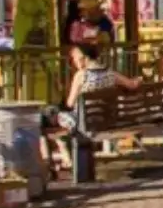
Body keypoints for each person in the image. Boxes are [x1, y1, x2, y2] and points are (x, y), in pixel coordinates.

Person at [41, 41, 141, 177]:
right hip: (104, 119)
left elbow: (70, 104)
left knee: (44, 118)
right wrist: (138, 80)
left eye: (75, 59)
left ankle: (50, 165)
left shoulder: (81, 76)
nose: (74, 63)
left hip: (83, 122)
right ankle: (66, 157)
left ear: (84, 58)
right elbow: (132, 85)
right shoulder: (111, 73)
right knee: (52, 117)